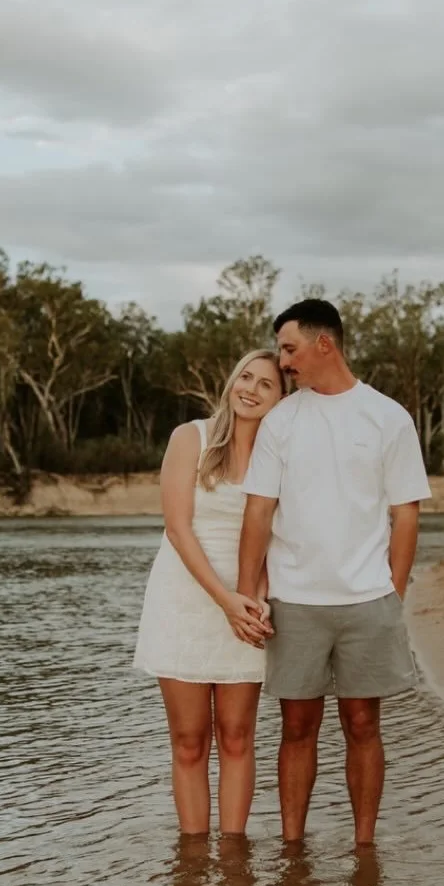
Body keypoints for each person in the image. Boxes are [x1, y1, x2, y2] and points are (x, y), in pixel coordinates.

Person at [238, 300, 431, 846]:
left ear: (325, 344)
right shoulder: (281, 420)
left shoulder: (388, 417)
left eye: (290, 348)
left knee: (363, 726)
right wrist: (245, 592)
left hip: (367, 600)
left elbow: (406, 512)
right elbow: (258, 511)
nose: (284, 362)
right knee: (297, 729)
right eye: (281, 350)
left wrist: (393, 591)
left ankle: (364, 847)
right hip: (296, 601)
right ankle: (293, 849)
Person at [134, 350, 285, 836]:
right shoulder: (191, 438)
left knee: (238, 738)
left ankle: (234, 860)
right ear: (230, 380)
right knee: (188, 741)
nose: (252, 389)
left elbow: (276, 537)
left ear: (281, 399)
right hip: (184, 600)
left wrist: (255, 600)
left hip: (247, 605)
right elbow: (177, 529)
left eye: (267, 384)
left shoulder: (280, 456)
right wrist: (225, 600)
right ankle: (195, 861)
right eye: (246, 376)